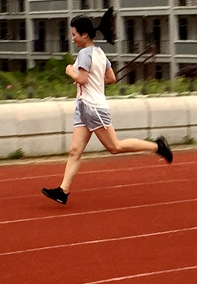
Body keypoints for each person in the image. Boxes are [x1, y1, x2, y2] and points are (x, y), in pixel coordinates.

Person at [42, 16, 173, 205]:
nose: (72, 38)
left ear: (84, 34)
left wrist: (70, 71)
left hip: (93, 108)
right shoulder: (100, 52)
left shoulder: (85, 54)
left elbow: (82, 79)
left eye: (74, 34)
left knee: (115, 147)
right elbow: (111, 78)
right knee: (74, 150)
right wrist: (93, 79)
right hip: (83, 107)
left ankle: (157, 147)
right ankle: (63, 191)